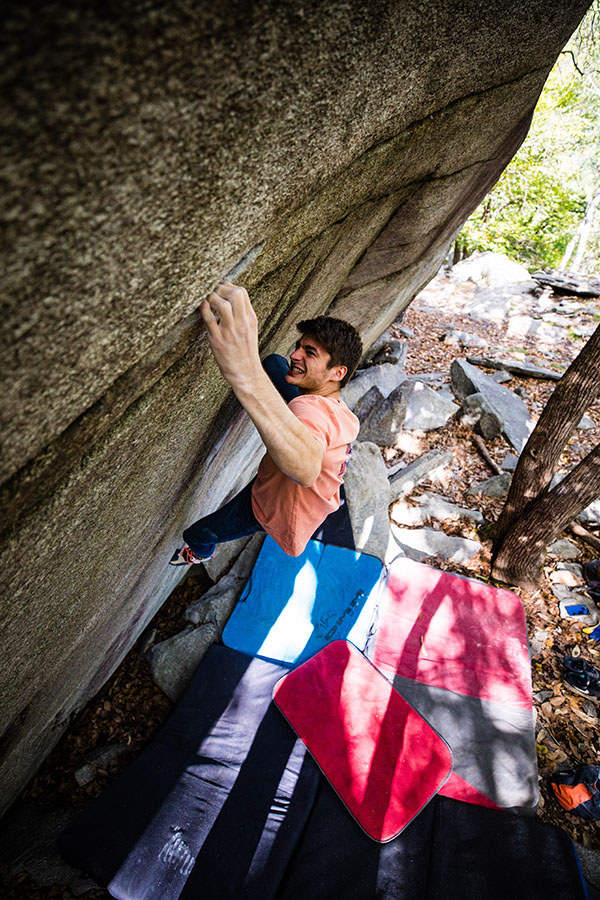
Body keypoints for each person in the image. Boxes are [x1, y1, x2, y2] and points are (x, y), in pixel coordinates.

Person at [169, 280, 362, 565]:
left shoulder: (310, 412)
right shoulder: (343, 415)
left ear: (337, 372)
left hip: (272, 508)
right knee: (274, 364)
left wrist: (245, 374)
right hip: (278, 483)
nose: (295, 355)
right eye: (299, 346)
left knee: (197, 533)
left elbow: (306, 468)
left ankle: (199, 553)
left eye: (310, 354)